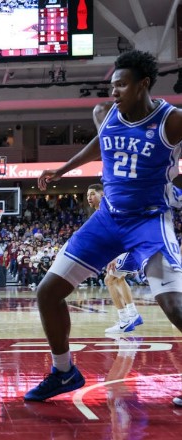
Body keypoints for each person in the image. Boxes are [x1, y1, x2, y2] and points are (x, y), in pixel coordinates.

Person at [26, 50, 182, 405]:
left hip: (149, 221)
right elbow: (101, 144)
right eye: (112, 85)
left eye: (121, 85)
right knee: (47, 293)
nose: (114, 92)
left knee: (174, 304)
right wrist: (62, 170)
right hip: (107, 219)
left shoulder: (172, 121)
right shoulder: (104, 113)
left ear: (143, 85)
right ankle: (64, 371)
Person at [86, 183, 143, 333]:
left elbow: (121, 233)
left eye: (92, 194)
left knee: (109, 280)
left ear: (102, 195)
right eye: (87, 195)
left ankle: (124, 320)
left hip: (130, 246)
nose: (89, 197)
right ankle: (133, 314)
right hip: (132, 246)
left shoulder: (108, 209)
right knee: (119, 278)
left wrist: (115, 255)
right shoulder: (100, 213)